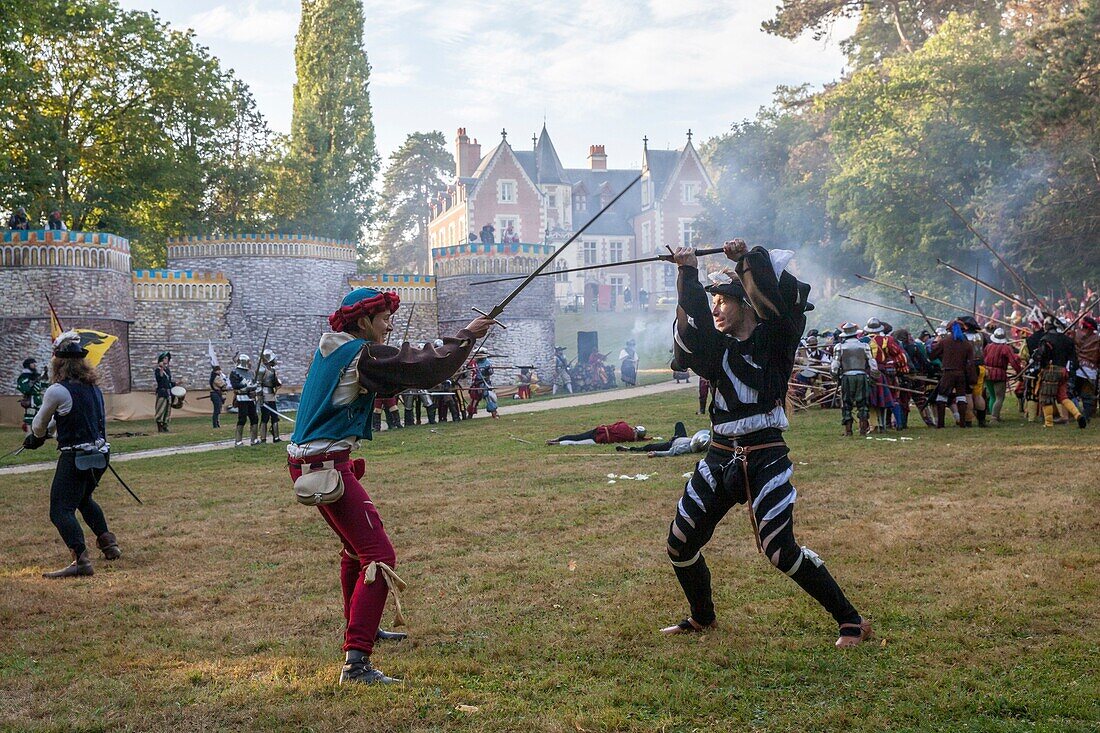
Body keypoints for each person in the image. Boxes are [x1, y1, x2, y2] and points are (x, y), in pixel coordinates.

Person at [665, 239, 869, 648]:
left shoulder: (776, 340)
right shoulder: (716, 349)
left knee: (779, 548)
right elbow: (693, 334)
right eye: (714, 300)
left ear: (745, 302)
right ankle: (702, 618)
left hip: (765, 455)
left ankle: (852, 621)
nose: (717, 307)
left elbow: (773, 305)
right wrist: (685, 271)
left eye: (724, 299)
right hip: (720, 454)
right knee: (680, 542)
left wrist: (744, 260)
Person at [286, 286, 491, 685]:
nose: (389, 324)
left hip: (312, 462)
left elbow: (392, 377)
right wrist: (466, 335)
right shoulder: (359, 353)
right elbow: (422, 366)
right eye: (383, 318)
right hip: (325, 465)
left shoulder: (337, 349)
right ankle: (357, 663)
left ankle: (360, 626)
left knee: (355, 550)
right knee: (378, 555)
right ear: (363, 321)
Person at [22, 331, 121, 578]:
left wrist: (37, 437)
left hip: (77, 457)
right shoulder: (93, 388)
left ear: (58, 362)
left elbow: (38, 425)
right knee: (83, 500)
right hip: (100, 455)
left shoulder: (57, 390)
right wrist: (48, 431)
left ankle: (81, 560)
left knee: (60, 510)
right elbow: (68, 416)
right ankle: (108, 544)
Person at [1035, 317, 1087, 429]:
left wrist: (1041, 367)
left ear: (1047, 326)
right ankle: (1077, 415)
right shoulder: (1067, 340)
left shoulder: (1045, 339)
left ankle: (1048, 423)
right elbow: (1074, 359)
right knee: (1063, 397)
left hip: (1051, 371)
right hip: (1063, 371)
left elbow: (1042, 356)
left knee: (1046, 396)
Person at [831, 322, 878, 436]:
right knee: (862, 403)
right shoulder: (864, 345)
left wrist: (835, 376)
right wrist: (874, 376)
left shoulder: (839, 346)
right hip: (861, 376)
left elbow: (835, 365)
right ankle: (862, 430)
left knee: (846, 403)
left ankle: (848, 431)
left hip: (847, 377)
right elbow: (873, 363)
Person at [929, 320, 975, 428]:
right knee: (961, 397)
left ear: (949, 330)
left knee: (941, 397)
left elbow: (932, 355)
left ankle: (940, 424)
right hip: (961, 374)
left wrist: (937, 345)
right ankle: (962, 423)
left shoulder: (945, 341)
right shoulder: (967, 344)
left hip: (948, 373)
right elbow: (970, 363)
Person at [982, 328, 1022, 422]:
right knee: (999, 397)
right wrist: (1019, 372)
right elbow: (1013, 361)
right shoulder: (1005, 348)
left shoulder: (988, 346)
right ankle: (994, 417)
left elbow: (983, 358)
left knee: (992, 396)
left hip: (987, 373)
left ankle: (994, 415)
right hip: (999, 374)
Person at [616, 422, 711, 457]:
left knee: (649, 446)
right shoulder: (694, 442)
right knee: (679, 424)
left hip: (671, 444)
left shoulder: (685, 448)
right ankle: (675, 437)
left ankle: (629, 449)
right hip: (680, 437)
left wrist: (656, 453)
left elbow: (671, 452)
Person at [1071, 316, 1099, 420]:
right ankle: (1085, 416)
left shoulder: (1075, 334)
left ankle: (1075, 414)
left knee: (1072, 392)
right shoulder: (1097, 339)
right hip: (1090, 371)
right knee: (1087, 396)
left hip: (1076, 369)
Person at [229, 353, 260, 446]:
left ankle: (254, 440)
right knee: (242, 419)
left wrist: (254, 390)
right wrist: (247, 387)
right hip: (241, 398)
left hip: (251, 398)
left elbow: (255, 384)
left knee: (254, 418)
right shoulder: (235, 372)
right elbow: (235, 385)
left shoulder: (250, 373)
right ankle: (238, 441)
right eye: (249, 361)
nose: (250, 363)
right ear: (244, 362)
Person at [256, 349, 283, 443]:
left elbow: (274, 381)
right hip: (264, 394)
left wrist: (278, 383)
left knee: (275, 416)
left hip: (271, 394)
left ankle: (276, 437)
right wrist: (260, 397)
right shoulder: (261, 369)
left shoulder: (272, 370)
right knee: (265, 417)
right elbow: (258, 384)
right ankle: (263, 438)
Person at [546, 421, 646, 445]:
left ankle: (557, 440)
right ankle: (557, 442)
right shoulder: (630, 438)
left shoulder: (624, 425)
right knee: (578, 442)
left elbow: (615, 424)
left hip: (600, 431)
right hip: (601, 437)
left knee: (577, 437)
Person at [17, 357, 47, 433]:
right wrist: (31, 383)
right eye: (32, 363)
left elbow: (41, 385)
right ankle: (29, 433)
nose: (34, 365)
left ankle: (38, 433)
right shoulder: (24, 376)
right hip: (31, 399)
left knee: (40, 415)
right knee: (30, 416)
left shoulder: (35, 375)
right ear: (28, 365)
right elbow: (24, 388)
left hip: (38, 398)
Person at [153, 352, 175, 433]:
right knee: (160, 409)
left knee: (167, 410)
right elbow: (160, 378)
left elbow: (168, 382)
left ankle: (165, 425)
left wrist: (177, 383)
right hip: (162, 392)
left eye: (167, 358)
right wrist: (161, 367)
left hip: (168, 392)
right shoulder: (158, 370)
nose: (167, 359)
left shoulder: (167, 370)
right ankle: (160, 426)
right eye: (165, 358)